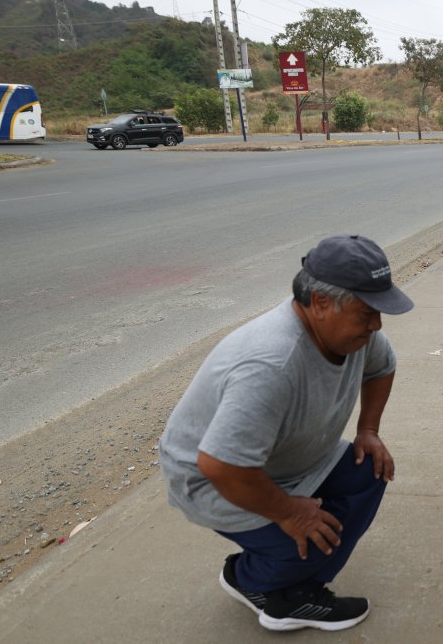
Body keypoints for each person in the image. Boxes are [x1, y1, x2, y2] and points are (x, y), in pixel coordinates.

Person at [159, 234, 413, 632]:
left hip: (284, 460)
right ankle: (260, 584)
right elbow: (220, 465)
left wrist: (368, 430)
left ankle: (274, 578)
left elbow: (383, 366)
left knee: (371, 469)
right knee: (312, 542)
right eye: (367, 312)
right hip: (215, 479)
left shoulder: (356, 334)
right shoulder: (270, 364)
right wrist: (290, 512)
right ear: (320, 303)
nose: (377, 324)